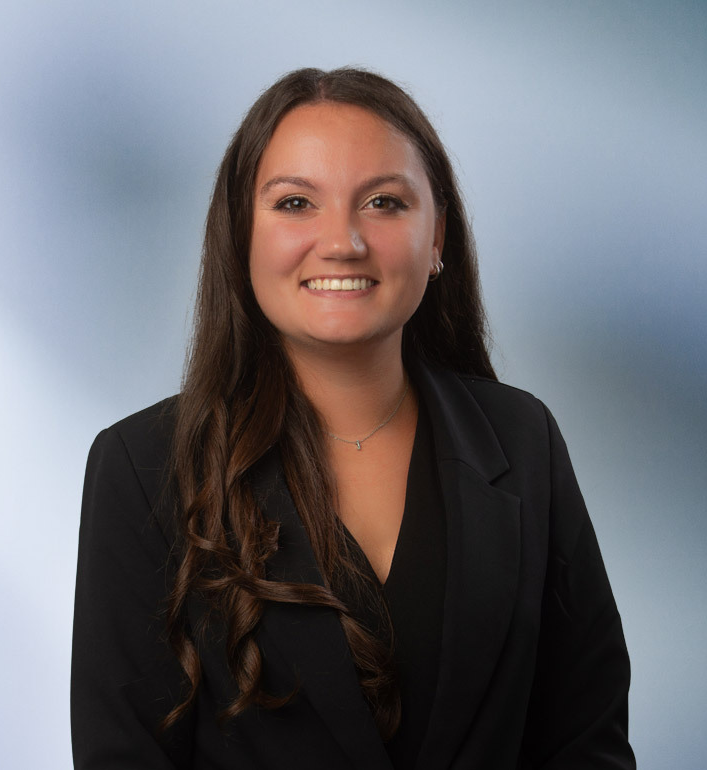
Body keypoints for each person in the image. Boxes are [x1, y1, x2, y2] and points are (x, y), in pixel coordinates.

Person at [71, 67, 634, 769]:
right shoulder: (141, 465)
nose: (342, 241)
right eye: (297, 202)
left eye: (384, 203)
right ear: (241, 234)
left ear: (438, 240)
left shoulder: (523, 441)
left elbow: (588, 741)